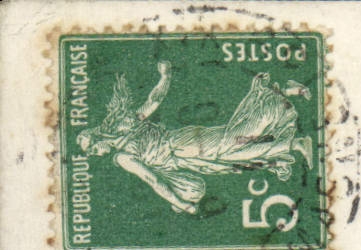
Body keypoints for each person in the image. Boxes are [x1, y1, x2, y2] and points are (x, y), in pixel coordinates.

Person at [77, 62, 314, 215]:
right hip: (183, 157)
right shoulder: (125, 129)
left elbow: (152, 180)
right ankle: (288, 124)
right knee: (236, 150)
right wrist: (165, 76)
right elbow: (154, 103)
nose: (94, 154)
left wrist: (183, 206)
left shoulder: (122, 155)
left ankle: (283, 107)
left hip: (180, 146)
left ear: (98, 138)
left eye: (91, 149)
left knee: (233, 143)